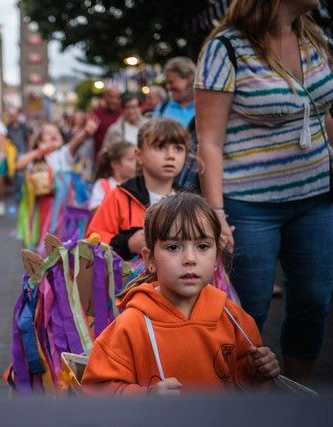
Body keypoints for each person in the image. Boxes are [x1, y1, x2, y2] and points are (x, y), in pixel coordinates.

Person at [195, 0, 333, 383]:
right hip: (248, 206)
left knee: (312, 302)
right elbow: (208, 141)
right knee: (248, 310)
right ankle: (247, 400)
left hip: (316, 197)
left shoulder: (314, 38)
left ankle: (295, 392)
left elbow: (323, 113)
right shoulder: (225, 48)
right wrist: (216, 214)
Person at [82, 193, 280, 395]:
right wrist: (146, 397)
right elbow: (97, 389)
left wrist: (255, 372)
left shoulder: (234, 318)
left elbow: (242, 388)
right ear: (150, 259)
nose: (190, 259)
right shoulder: (131, 325)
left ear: (216, 258)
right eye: (173, 247)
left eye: (202, 246)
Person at [87, 118, 187, 260]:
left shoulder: (189, 202)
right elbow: (92, 242)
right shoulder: (118, 196)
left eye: (178, 149)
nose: (170, 155)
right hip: (129, 281)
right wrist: (127, 244)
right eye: (159, 147)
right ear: (139, 156)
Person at [15, 117, 99, 251]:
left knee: (61, 242)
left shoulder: (63, 154)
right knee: (44, 241)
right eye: (48, 133)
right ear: (40, 140)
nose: (53, 134)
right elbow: (18, 165)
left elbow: (74, 144)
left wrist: (85, 133)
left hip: (63, 210)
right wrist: (38, 151)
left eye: (56, 132)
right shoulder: (36, 159)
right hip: (42, 207)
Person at [89, 141, 137, 212]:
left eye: (137, 159)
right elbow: (96, 211)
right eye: (131, 159)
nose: (136, 163)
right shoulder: (102, 184)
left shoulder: (137, 186)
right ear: (115, 164)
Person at [152, 57, 196, 127]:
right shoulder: (162, 109)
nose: (168, 87)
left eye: (171, 82)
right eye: (167, 82)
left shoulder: (206, 108)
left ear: (189, 79)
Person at [91, 85, 123, 161]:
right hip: (101, 160)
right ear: (105, 96)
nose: (114, 101)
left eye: (117, 98)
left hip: (119, 159)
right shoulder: (96, 114)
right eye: (111, 97)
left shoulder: (123, 114)